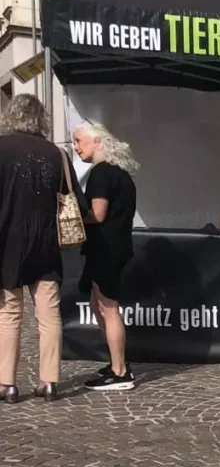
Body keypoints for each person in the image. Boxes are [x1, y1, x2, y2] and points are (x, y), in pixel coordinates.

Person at [0, 95, 76, 403]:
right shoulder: (56, 154)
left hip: (7, 242)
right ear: (40, 119)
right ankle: (49, 381)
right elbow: (73, 198)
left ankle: (7, 384)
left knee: (8, 314)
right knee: (49, 315)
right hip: (46, 242)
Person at [73, 122, 139, 391]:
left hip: (107, 248)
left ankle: (120, 371)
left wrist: (71, 214)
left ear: (97, 141)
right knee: (97, 304)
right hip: (114, 245)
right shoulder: (119, 173)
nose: (76, 147)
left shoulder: (101, 173)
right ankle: (116, 363)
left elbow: (97, 214)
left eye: (79, 141)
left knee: (108, 308)